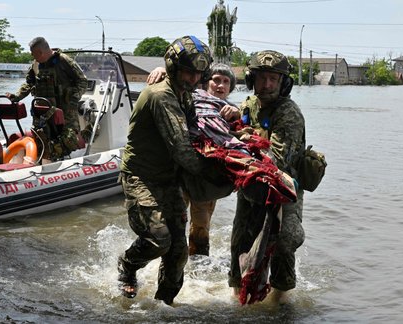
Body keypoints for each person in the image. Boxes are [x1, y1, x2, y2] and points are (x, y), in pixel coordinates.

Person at [117, 35, 212, 305]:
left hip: (168, 180)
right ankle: (127, 266)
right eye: (188, 72)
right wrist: (218, 175)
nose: (193, 79)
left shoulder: (185, 96)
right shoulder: (162, 96)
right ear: (173, 67)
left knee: (179, 251)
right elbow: (182, 150)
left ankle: (164, 305)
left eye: (198, 74)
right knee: (159, 239)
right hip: (141, 177)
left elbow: (199, 130)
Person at [227, 50, 306, 304]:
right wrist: (230, 120)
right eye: (262, 78)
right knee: (240, 240)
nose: (268, 84)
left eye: (274, 78)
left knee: (284, 244)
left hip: (283, 191)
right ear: (252, 80)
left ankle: (280, 303)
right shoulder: (248, 105)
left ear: (284, 83)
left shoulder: (289, 113)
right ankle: (238, 297)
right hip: (252, 188)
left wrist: (247, 139)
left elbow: (279, 161)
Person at [147, 62, 239, 257]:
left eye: (226, 82)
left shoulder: (231, 110)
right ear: (206, 82)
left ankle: (198, 272)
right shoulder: (189, 98)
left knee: (201, 227)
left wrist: (237, 115)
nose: (220, 85)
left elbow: (245, 133)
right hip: (179, 172)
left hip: (206, 178)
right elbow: (171, 88)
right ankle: (167, 263)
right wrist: (161, 70)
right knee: (171, 222)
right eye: (216, 80)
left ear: (231, 88)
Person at [5, 37, 88, 160]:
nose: (33, 56)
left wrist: (73, 98)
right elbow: (29, 83)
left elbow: (82, 81)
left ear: (40, 52)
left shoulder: (63, 61)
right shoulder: (36, 64)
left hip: (65, 109)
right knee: (42, 136)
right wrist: (17, 96)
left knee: (67, 138)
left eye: (33, 53)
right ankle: (43, 161)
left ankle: (72, 156)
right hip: (43, 109)